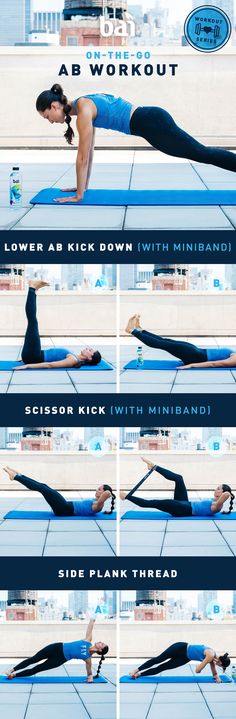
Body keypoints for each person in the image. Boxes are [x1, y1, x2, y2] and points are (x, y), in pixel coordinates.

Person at [36, 84, 236, 204]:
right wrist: (83, 188)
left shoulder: (84, 109)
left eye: (47, 116)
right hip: (151, 122)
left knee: (201, 153)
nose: (50, 121)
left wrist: (79, 196)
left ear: (54, 106)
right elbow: (89, 151)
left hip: (152, 123)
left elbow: (82, 157)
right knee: (201, 153)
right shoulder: (83, 106)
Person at [14, 280, 101, 370]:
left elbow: (50, 365)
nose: (87, 348)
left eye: (90, 350)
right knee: (32, 320)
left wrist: (28, 365)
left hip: (34, 356)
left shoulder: (73, 360)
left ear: (90, 358)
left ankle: (32, 288)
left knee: (33, 321)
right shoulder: (74, 356)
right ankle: (34, 289)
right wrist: (28, 359)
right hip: (33, 355)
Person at [120, 457, 234, 517]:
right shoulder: (215, 502)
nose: (216, 489)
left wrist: (228, 494)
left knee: (153, 502)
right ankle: (154, 466)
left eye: (218, 488)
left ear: (223, 493)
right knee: (179, 478)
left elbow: (224, 498)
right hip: (185, 503)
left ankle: (126, 497)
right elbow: (222, 500)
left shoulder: (217, 506)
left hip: (183, 510)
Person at [6, 618, 108, 681]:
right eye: (102, 642)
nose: (100, 642)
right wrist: (93, 619)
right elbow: (90, 625)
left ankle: (14, 675)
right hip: (56, 647)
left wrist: (90, 677)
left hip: (59, 659)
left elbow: (89, 673)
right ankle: (11, 670)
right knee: (33, 659)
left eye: (102, 644)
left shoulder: (88, 658)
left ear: (100, 651)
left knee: (37, 668)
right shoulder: (88, 640)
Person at [125, 315, 236, 369]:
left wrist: (191, 365)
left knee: (162, 344)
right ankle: (140, 330)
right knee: (164, 341)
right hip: (196, 351)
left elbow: (214, 364)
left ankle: (132, 331)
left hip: (195, 356)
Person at [3, 466, 115, 517]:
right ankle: (20, 475)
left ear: (104, 493)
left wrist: (109, 493)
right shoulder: (95, 501)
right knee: (44, 486)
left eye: (99, 489)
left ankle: (16, 477)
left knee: (43, 489)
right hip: (65, 506)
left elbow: (104, 497)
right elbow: (103, 496)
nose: (97, 489)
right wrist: (105, 493)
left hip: (64, 509)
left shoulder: (98, 506)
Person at [129, 643, 230, 683]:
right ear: (220, 662)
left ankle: (139, 674)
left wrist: (217, 678)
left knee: (163, 667)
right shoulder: (211, 655)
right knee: (158, 659)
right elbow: (197, 670)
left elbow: (214, 672)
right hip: (180, 648)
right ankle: (136, 670)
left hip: (185, 658)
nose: (219, 666)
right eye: (221, 666)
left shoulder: (213, 658)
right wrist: (206, 662)